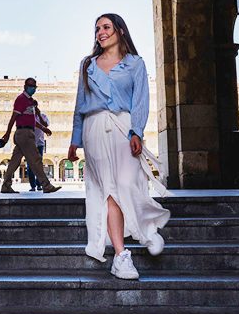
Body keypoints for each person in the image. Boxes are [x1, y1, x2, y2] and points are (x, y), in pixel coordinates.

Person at [68, 14, 171, 280]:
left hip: (124, 126)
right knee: (109, 191)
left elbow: (140, 101)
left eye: (106, 27)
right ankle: (121, 255)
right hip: (93, 128)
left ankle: (148, 230)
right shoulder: (87, 65)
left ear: (120, 31)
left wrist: (136, 131)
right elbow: (81, 103)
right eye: (97, 29)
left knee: (128, 182)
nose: (100, 32)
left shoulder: (135, 64)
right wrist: (74, 139)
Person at [0, 78, 61, 194]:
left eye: (34, 86)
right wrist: (7, 133)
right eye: (30, 86)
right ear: (25, 86)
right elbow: (13, 117)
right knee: (36, 159)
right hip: (25, 134)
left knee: (15, 161)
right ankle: (46, 185)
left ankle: (6, 186)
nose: (33, 88)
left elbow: (32, 120)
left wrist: (43, 127)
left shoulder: (30, 102)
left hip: (25, 133)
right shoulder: (21, 99)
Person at [27, 108, 50, 191]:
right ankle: (32, 186)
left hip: (40, 144)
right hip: (30, 144)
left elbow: (46, 125)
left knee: (39, 165)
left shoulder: (43, 116)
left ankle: (39, 184)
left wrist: (39, 115)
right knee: (30, 166)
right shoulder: (29, 117)